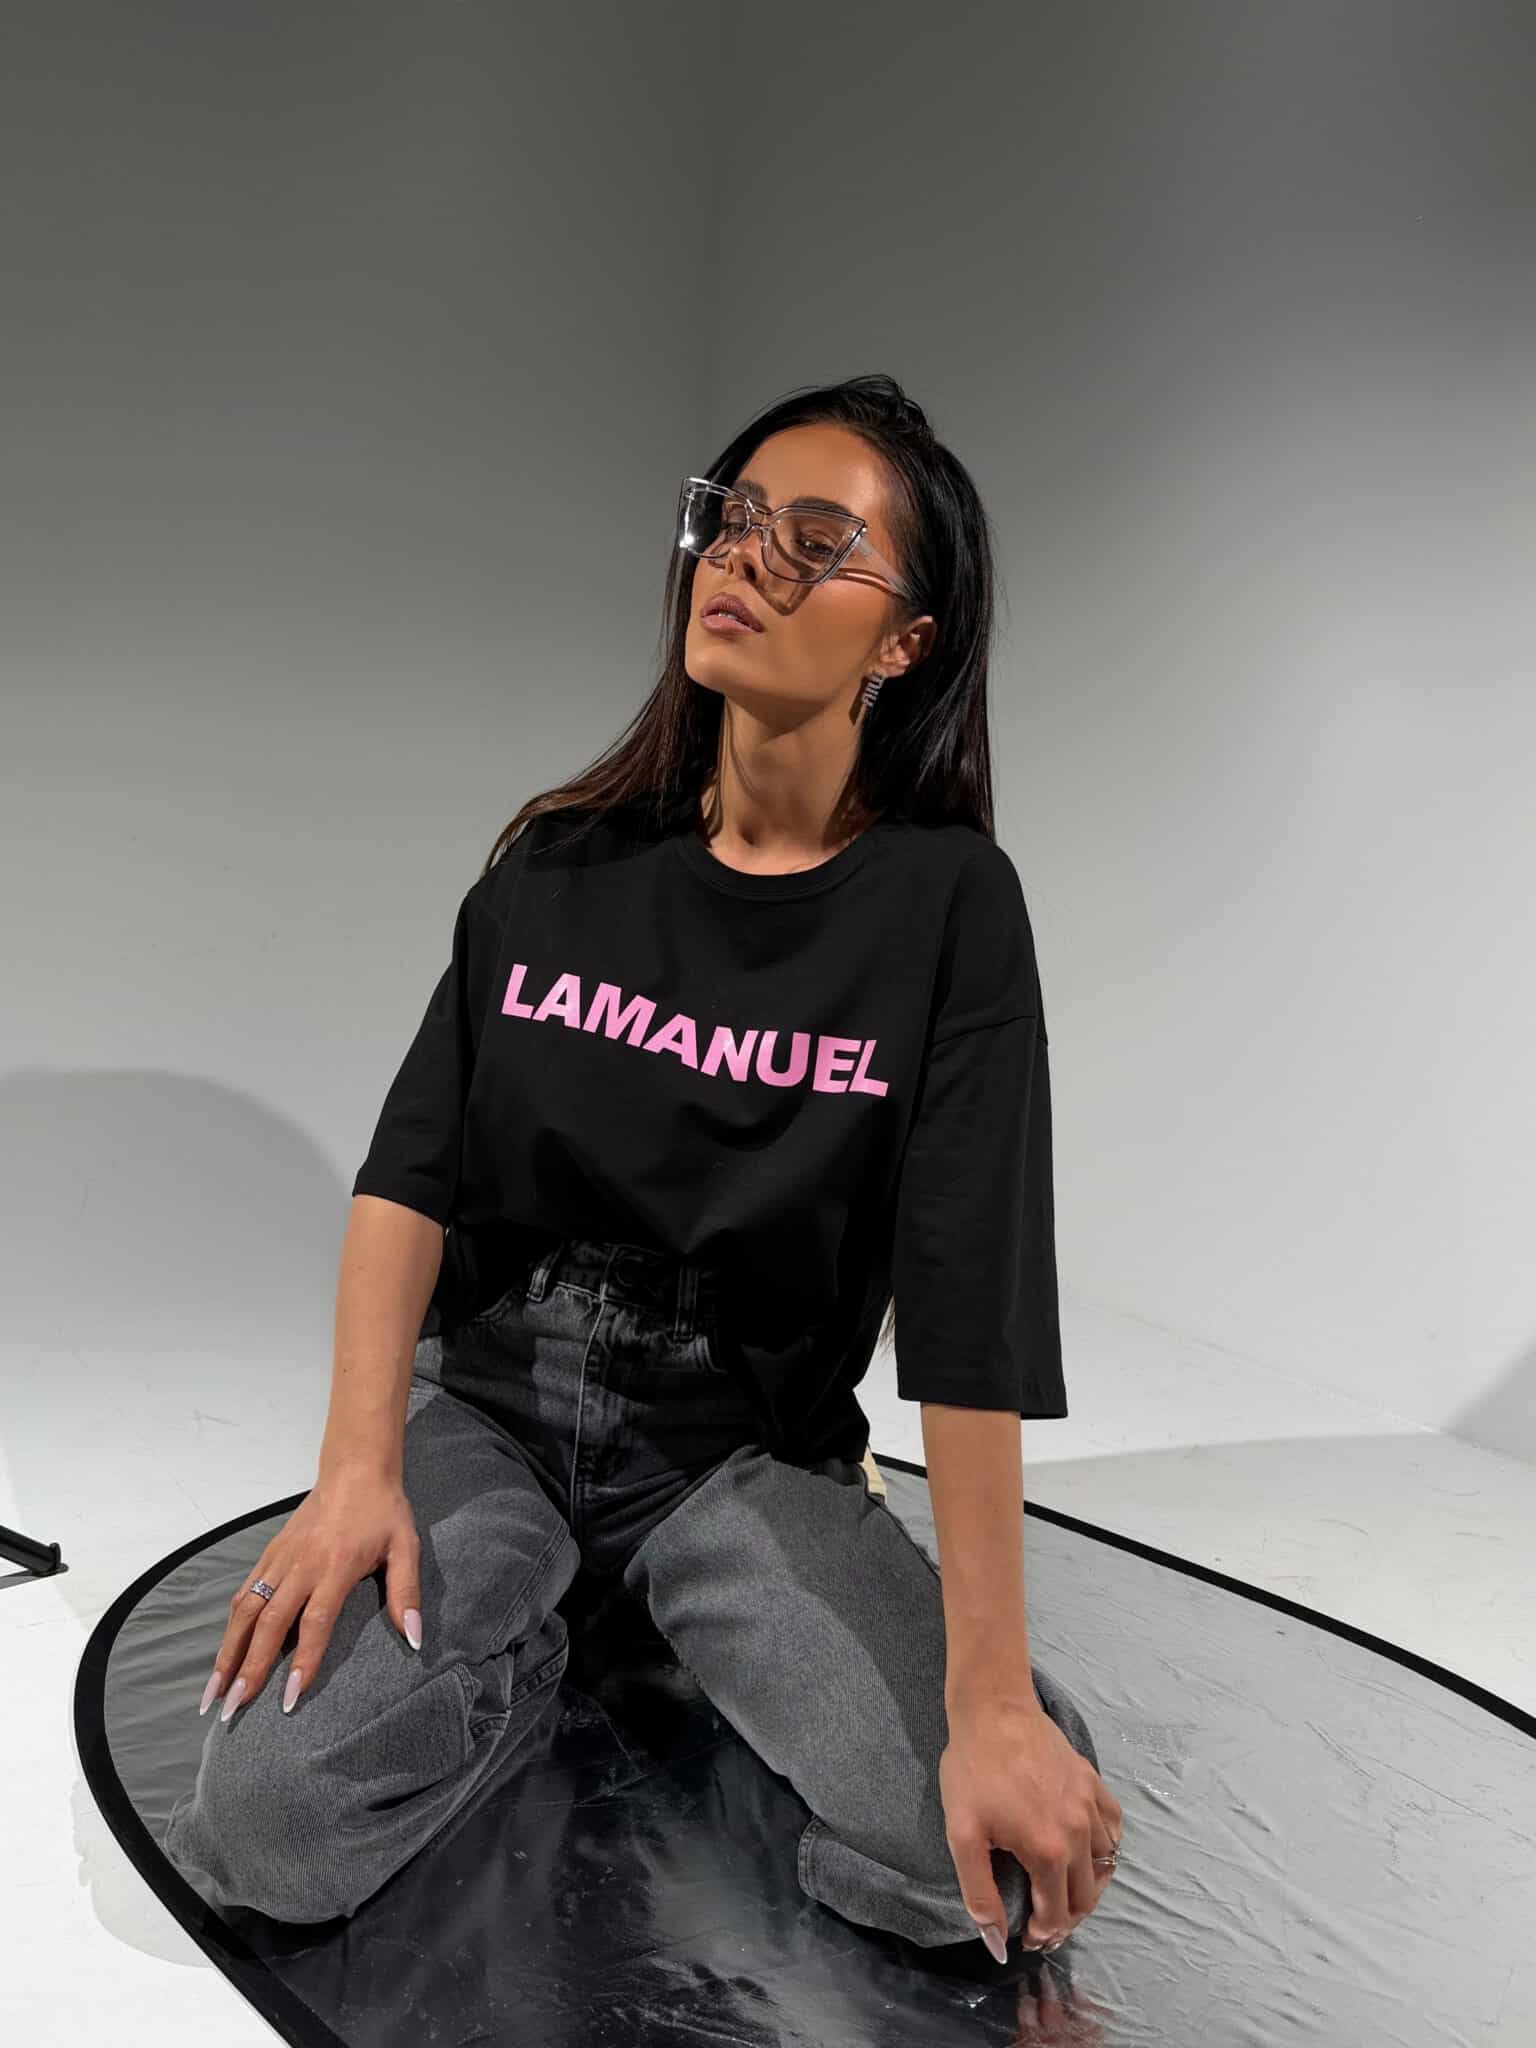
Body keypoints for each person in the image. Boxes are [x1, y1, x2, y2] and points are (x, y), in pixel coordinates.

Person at [163, 372, 1123, 1964]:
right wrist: (358, 1471)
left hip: (732, 1449)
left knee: (1001, 1871)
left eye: (811, 540)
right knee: (269, 1828)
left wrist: (994, 1697)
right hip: (496, 1404)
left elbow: (970, 1303)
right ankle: (547, 1636)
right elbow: (408, 1179)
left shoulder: (948, 906)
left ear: (905, 643)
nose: (742, 558)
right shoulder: (563, 863)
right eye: (731, 520)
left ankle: (667, 1615)